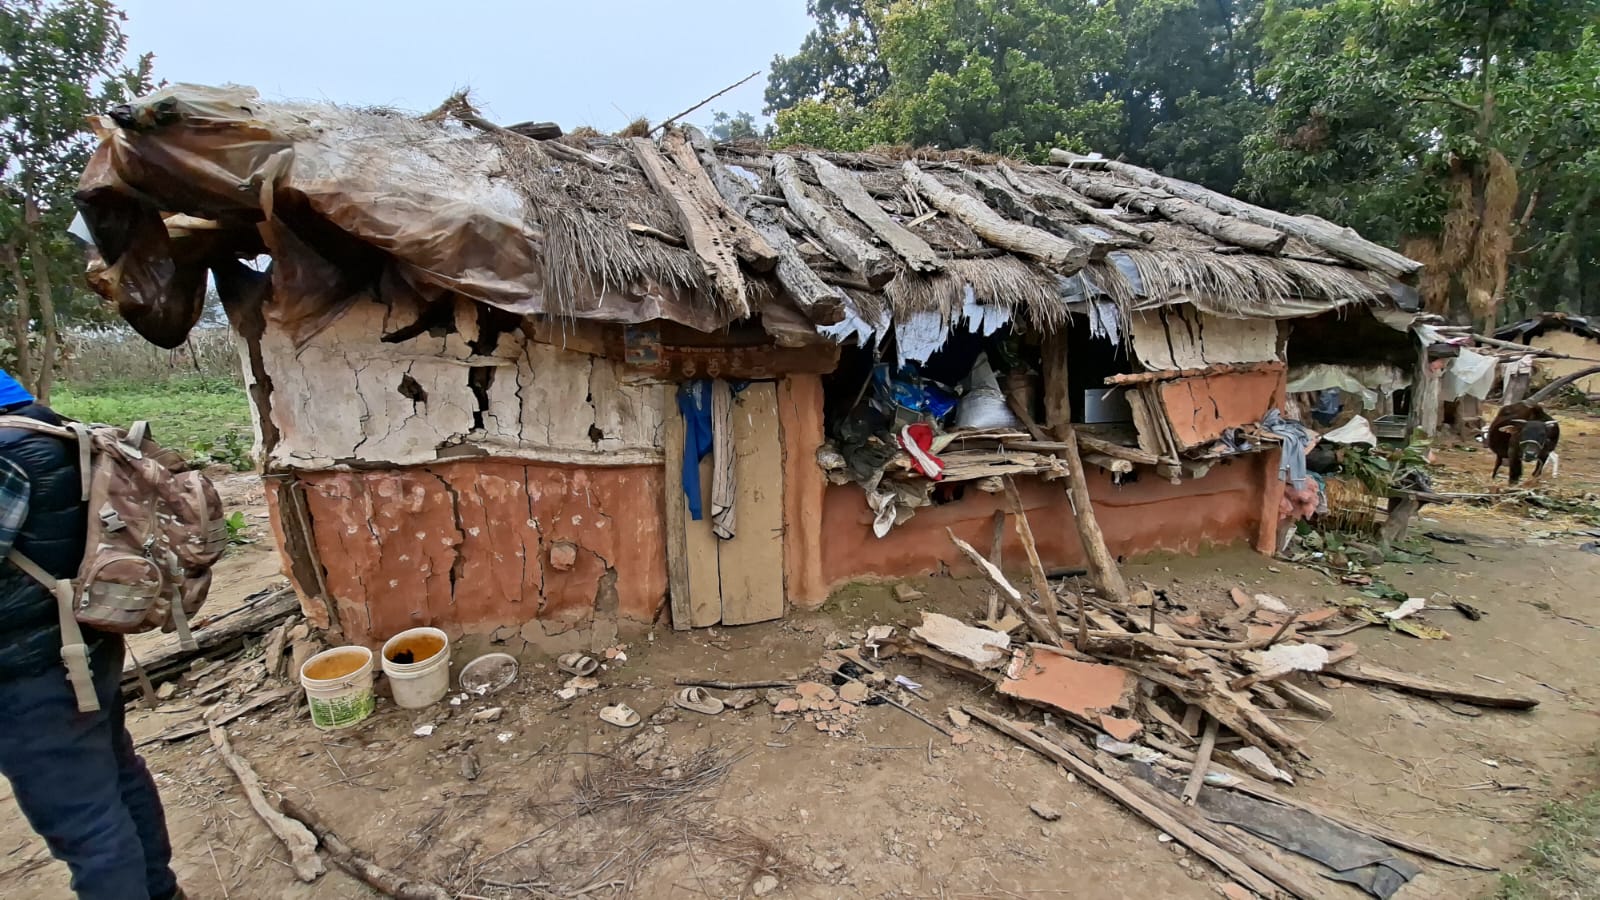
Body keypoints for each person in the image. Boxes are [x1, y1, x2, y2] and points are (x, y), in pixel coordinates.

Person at [0, 369, 182, 900]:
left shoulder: (6, 456)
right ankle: (162, 891)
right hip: (84, 644)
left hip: (29, 670)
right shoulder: (54, 433)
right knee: (119, 776)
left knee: (86, 825)